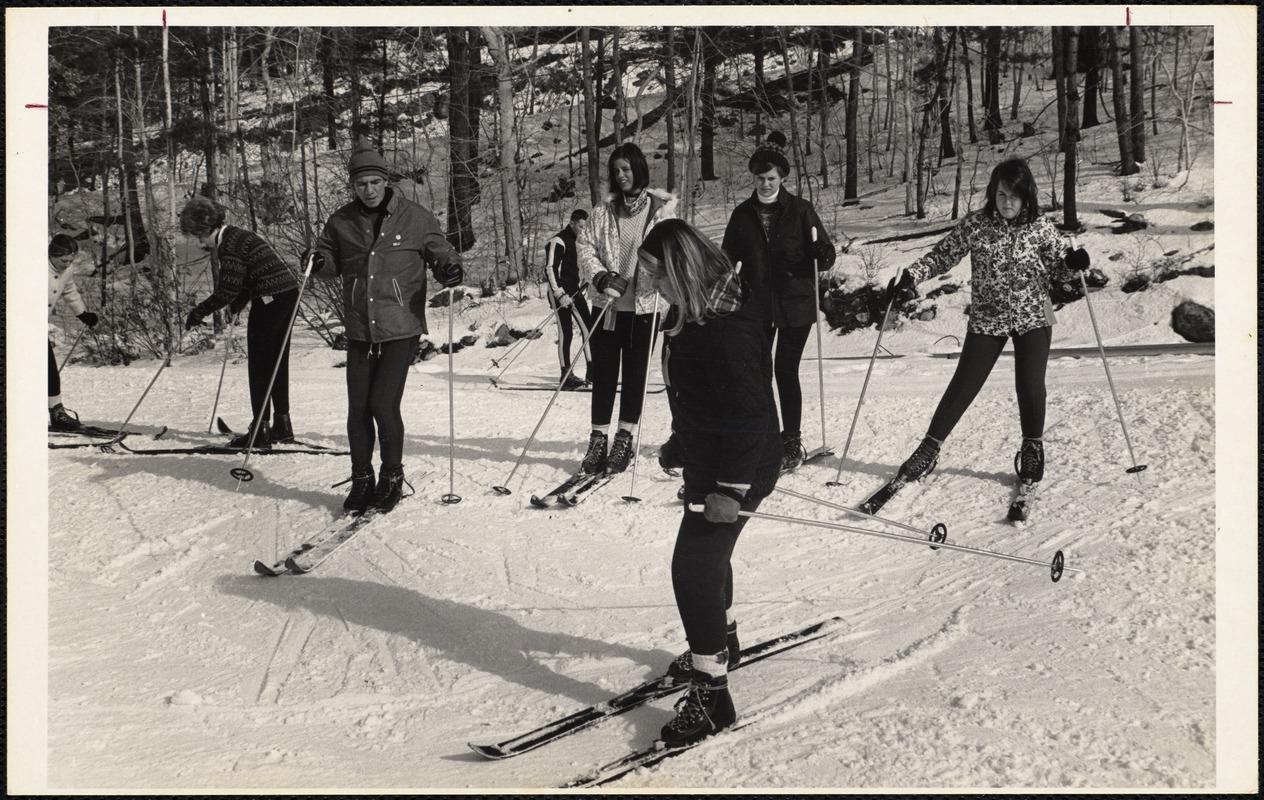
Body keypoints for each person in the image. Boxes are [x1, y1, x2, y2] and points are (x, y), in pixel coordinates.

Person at [637, 219, 782, 747]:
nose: (654, 287)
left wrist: (733, 490)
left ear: (681, 270)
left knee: (693, 568)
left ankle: (712, 691)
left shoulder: (728, 327)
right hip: (711, 457)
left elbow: (749, 414)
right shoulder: (695, 314)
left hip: (737, 467)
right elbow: (700, 395)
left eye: (658, 276)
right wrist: (681, 441)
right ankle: (725, 640)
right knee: (708, 561)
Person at [879, 157, 1083, 491]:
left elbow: (1061, 271)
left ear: (1026, 195)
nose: (1007, 202)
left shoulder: (1041, 227)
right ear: (993, 193)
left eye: (1014, 196)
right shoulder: (976, 224)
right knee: (963, 385)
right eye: (1001, 195)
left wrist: (1074, 264)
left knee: (1030, 385)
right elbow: (942, 255)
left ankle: (1032, 447)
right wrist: (912, 275)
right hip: (988, 317)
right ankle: (929, 449)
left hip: (1035, 314)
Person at [311, 145, 463, 514]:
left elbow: (441, 252)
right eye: (361, 183)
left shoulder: (416, 217)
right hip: (360, 325)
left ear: (386, 181)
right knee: (357, 408)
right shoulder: (341, 221)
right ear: (353, 185)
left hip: (400, 324)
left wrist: (449, 268)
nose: (369, 190)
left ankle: (392, 476)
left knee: (382, 402)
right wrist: (317, 261)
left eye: (375, 181)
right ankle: (362, 477)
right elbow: (328, 258)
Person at [721, 132, 837, 473]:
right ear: (753, 178)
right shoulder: (743, 214)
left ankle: (790, 440)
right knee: (759, 373)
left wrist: (820, 254)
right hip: (756, 304)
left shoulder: (801, 210)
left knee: (786, 370)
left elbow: (827, 255)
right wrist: (732, 277)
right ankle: (764, 435)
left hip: (795, 304)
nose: (766, 184)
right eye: (760, 178)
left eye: (772, 178)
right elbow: (728, 257)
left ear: (783, 177)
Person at [576, 142, 677, 475]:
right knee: (604, 375)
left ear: (638, 169)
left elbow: (675, 253)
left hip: (645, 307)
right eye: (616, 170)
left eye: (626, 169)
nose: (621, 176)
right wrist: (601, 276)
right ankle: (598, 439)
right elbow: (585, 247)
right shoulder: (603, 212)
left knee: (635, 377)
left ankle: (624, 438)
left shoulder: (662, 211)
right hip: (607, 306)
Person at [180, 196, 300, 449]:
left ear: (206, 228)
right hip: (287, 295)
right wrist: (241, 301)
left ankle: (260, 431)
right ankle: (282, 425)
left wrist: (199, 312)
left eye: (199, 236)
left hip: (270, 300)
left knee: (259, 365)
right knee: (277, 362)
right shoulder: (238, 235)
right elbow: (248, 277)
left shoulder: (229, 245)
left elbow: (227, 290)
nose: (201, 243)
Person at [47, 234, 98, 430]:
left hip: (37, 325)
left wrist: (83, 314)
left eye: (70, 261)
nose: (67, 264)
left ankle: (57, 413)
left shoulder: (66, 271)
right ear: (52, 255)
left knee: (49, 369)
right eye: (63, 260)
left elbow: (69, 291)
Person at [543, 208, 594, 390]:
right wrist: (559, 294)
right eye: (580, 226)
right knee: (566, 331)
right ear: (571, 223)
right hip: (560, 291)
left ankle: (592, 370)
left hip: (575, 290)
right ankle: (566, 375)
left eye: (585, 227)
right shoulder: (558, 240)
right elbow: (550, 268)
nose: (583, 230)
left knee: (589, 327)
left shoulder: (580, 241)